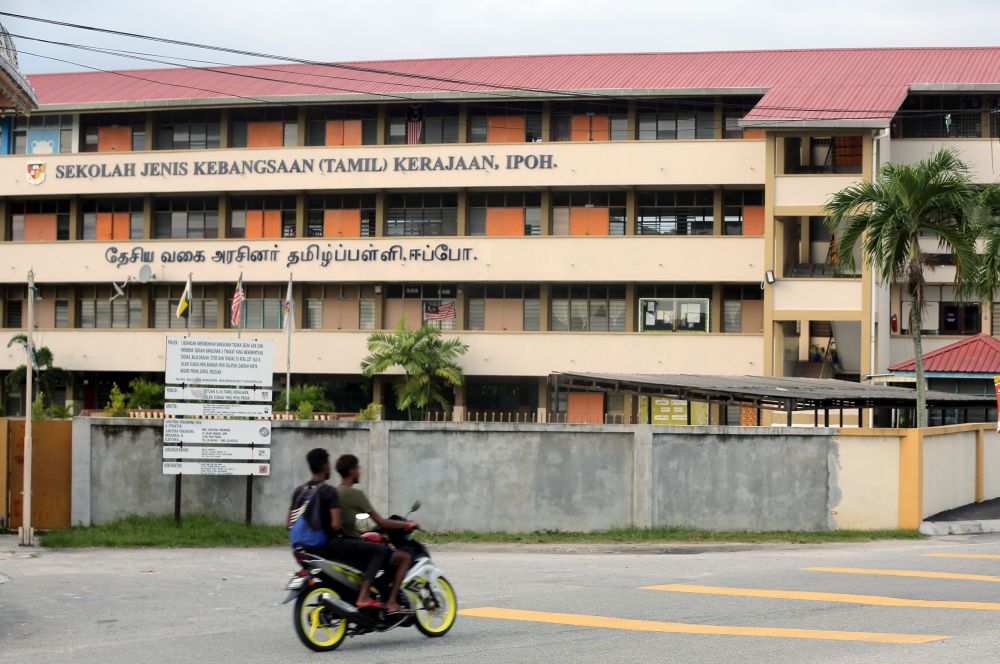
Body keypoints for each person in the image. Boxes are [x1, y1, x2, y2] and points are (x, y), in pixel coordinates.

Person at [287, 448, 392, 611]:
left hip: (300, 549)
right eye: (328, 465)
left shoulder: (299, 491)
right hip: (329, 545)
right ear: (324, 466)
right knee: (379, 551)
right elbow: (336, 525)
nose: (330, 469)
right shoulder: (329, 491)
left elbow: (288, 524)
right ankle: (364, 596)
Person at [335, 454, 416, 614]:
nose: (360, 472)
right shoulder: (355, 495)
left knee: (377, 550)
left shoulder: (335, 492)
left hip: (341, 542)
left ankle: (376, 593)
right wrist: (407, 523)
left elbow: (342, 523)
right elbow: (382, 522)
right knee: (403, 558)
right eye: (358, 468)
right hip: (349, 546)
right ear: (352, 471)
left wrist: (361, 532)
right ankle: (390, 602)